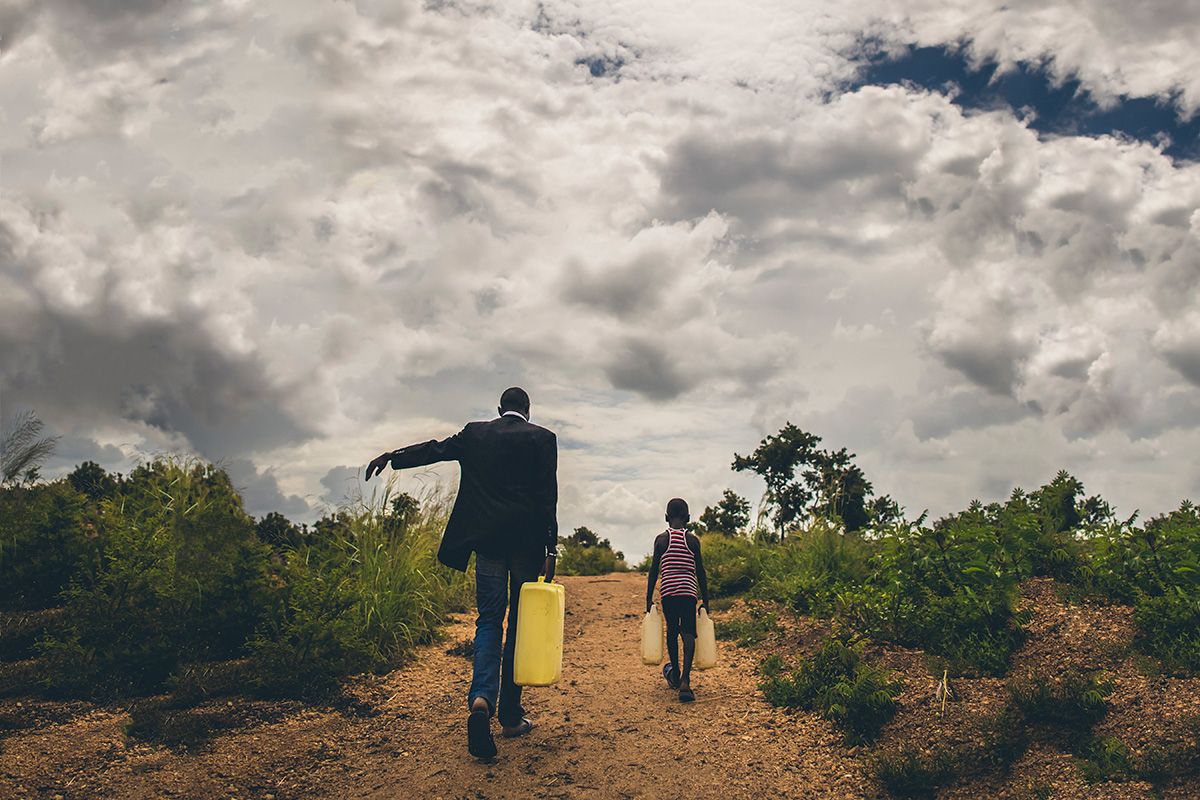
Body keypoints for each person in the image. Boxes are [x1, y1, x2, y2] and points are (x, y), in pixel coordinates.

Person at [366, 387, 558, 760]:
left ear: (499, 409)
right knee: (518, 626)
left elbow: (436, 449)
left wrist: (394, 457)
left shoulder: (475, 433)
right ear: (528, 412)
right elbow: (547, 495)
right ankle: (510, 715)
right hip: (526, 547)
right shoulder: (542, 439)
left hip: (487, 544)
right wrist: (551, 549)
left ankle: (481, 701)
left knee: (488, 621)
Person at [645, 498, 710, 702]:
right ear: (688, 518)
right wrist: (706, 600)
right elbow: (700, 571)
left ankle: (675, 673)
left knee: (672, 631)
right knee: (688, 632)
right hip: (689, 593)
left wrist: (648, 599)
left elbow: (654, 571)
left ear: (666, 517)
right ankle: (685, 681)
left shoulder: (661, 541)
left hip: (669, 594)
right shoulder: (692, 541)